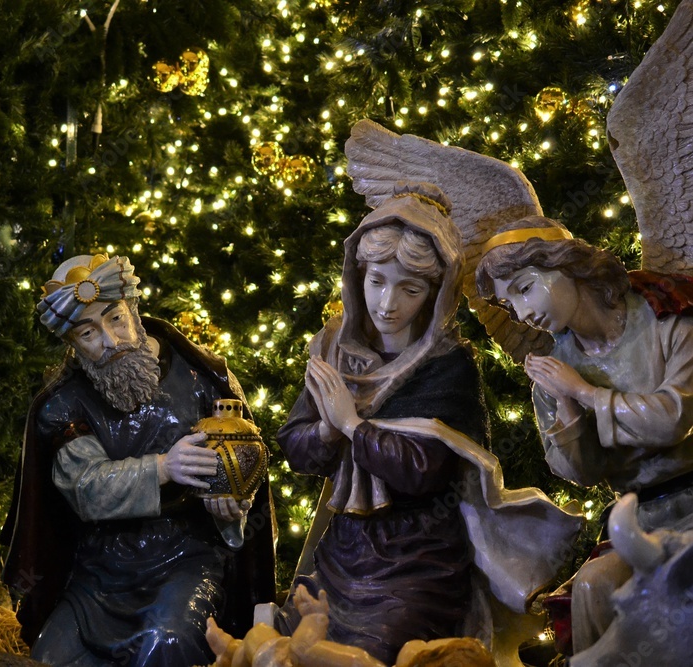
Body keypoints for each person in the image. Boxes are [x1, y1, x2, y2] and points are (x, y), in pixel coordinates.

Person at [275, 183, 580, 664]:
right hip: (343, 554)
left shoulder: (448, 363)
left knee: (377, 652)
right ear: (358, 278)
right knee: (292, 647)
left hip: (420, 561)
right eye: (377, 281)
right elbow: (296, 449)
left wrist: (354, 425)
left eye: (409, 288)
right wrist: (328, 430)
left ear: (435, 294)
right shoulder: (334, 350)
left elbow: (425, 471)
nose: (387, 303)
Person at [1, 254, 275, 666]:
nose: (110, 341)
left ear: (133, 309)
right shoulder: (64, 406)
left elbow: (243, 464)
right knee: (51, 659)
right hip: (99, 576)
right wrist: (164, 467)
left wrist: (230, 508)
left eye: (115, 319)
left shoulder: (204, 377)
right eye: (88, 333)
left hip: (186, 560)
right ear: (72, 345)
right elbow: (87, 488)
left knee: (167, 643)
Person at [474, 214, 693, 653]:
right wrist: (568, 406)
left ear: (567, 264)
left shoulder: (665, 316)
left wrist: (584, 391)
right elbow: (583, 473)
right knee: (593, 588)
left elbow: (674, 418)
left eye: (524, 288)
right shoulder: (555, 371)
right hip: (639, 517)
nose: (522, 313)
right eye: (509, 304)